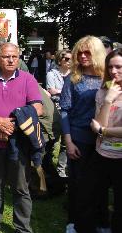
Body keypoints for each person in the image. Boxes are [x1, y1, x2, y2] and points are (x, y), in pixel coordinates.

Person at [0, 42, 43, 233]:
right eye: (6, 56)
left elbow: (38, 107)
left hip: (19, 143)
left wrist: (11, 124)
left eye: (15, 56)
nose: (11, 60)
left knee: (21, 188)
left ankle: (22, 227)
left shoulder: (28, 79)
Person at [59, 36, 106, 233]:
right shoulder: (73, 79)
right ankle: (74, 223)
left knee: (101, 185)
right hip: (78, 139)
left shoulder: (108, 78)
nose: (83, 56)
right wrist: (68, 142)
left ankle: (101, 223)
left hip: (104, 140)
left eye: (88, 52)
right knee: (78, 184)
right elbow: (64, 111)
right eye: (80, 52)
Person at [75, 48, 122, 233]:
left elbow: (100, 128)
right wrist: (109, 100)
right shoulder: (104, 91)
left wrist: (104, 130)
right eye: (110, 67)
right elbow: (97, 123)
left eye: (119, 67)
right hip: (102, 153)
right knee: (87, 196)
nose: (113, 72)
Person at [46, 49, 72, 178]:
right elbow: (51, 91)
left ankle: (62, 170)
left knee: (66, 142)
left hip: (69, 111)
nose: (69, 61)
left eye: (71, 59)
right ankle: (48, 169)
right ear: (59, 60)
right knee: (53, 140)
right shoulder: (52, 74)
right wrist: (67, 92)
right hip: (56, 110)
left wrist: (59, 91)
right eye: (66, 59)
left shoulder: (74, 74)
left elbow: (56, 91)